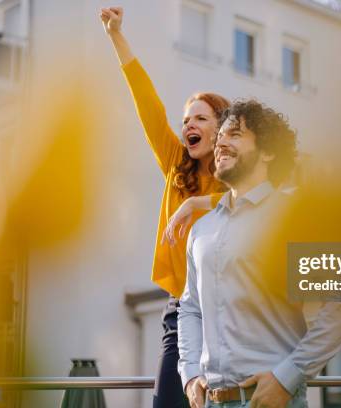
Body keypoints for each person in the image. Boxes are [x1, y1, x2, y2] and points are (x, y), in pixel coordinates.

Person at [178, 100, 341, 408]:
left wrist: (288, 376)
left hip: (272, 400)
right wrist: (190, 374)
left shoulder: (293, 218)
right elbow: (190, 309)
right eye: (220, 136)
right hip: (210, 401)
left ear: (268, 152)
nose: (220, 142)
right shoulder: (201, 231)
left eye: (234, 134)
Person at [100, 7, 229, 408]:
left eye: (200, 118)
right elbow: (146, 100)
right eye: (186, 118)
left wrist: (197, 204)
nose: (189, 124)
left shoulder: (237, 176)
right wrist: (116, 35)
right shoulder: (177, 164)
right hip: (183, 310)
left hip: (229, 311)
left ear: (221, 128)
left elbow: (263, 202)